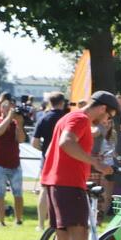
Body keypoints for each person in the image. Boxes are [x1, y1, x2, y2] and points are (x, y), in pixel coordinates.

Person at [40, 91, 118, 240]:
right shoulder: (80, 119)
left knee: (62, 239)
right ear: (102, 108)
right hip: (69, 184)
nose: (107, 120)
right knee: (79, 237)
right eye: (108, 115)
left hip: (55, 182)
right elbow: (66, 143)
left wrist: (88, 158)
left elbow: (59, 148)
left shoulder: (68, 117)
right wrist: (95, 163)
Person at [32, 92, 70, 229]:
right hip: (64, 158)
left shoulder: (43, 118)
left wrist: (44, 150)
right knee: (63, 191)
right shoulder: (66, 118)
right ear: (62, 103)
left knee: (44, 190)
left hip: (47, 159)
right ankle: (60, 222)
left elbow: (35, 143)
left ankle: (41, 224)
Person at [0, 92, 27, 225]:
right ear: (2, 109)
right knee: (0, 194)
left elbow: (21, 139)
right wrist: (9, 118)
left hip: (15, 164)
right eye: (8, 108)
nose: (11, 110)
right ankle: (1, 221)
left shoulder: (15, 123)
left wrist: (19, 124)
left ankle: (19, 220)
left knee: (18, 194)